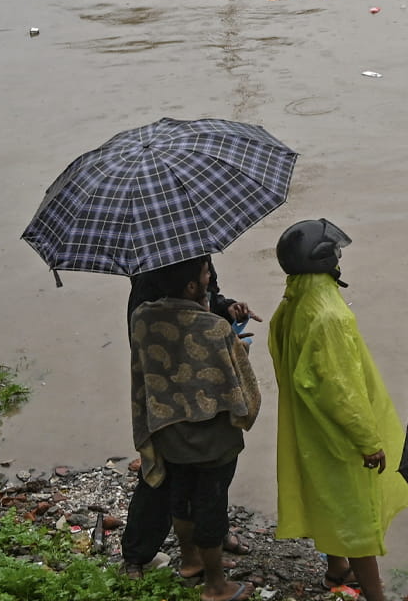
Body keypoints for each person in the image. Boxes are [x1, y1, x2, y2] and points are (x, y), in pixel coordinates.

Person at [268, 220, 408, 601]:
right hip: (337, 432)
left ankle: (336, 571)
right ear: (324, 260)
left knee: (326, 498)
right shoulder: (330, 315)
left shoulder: (294, 299)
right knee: (356, 513)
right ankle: (376, 595)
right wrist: (367, 440)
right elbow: (342, 390)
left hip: (311, 426)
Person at [123, 255, 261, 601]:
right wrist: (236, 349)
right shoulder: (214, 331)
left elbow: (151, 362)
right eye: (206, 274)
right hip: (211, 440)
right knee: (210, 502)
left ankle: (189, 560)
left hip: (167, 428)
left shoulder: (142, 317)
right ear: (191, 283)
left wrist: (222, 305)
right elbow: (243, 394)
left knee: (180, 496)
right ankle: (215, 586)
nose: (211, 276)